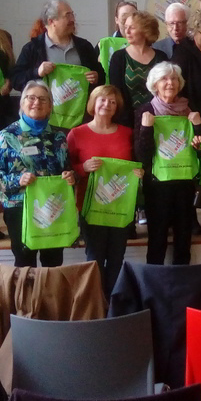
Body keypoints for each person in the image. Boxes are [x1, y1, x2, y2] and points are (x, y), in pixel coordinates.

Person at [66, 85, 142, 295]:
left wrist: (139, 173)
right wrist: (83, 167)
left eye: (112, 102)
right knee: (95, 258)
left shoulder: (127, 133)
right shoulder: (76, 134)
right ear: (93, 102)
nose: (107, 105)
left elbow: (137, 162)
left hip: (120, 206)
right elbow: (66, 170)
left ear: (117, 107)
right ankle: (95, 303)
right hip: (90, 205)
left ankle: (113, 303)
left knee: (117, 258)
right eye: (102, 100)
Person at [135, 62, 201, 265]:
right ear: (155, 84)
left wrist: (199, 128)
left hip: (184, 182)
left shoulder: (189, 110)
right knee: (157, 239)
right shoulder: (146, 111)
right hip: (157, 185)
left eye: (174, 79)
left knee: (184, 237)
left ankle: (181, 280)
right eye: (164, 79)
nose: (170, 83)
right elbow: (142, 156)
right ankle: (154, 282)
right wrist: (146, 129)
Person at [0, 81, 75, 267]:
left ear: (50, 106)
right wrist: (18, 180)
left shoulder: (58, 137)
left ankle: (50, 289)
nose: (37, 102)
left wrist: (71, 176)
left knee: (53, 262)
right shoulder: (6, 136)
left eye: (43, 99)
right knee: (25, 265)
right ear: (22, 103)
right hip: (20, 208)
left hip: (53, 207)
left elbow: (67, 168)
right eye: (31, 98)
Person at [11, 0, 103, 91]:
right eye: (67, 15)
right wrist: (37, 72)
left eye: (72, 14)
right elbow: (15, 80)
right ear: (51, 21)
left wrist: (96, 77)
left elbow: (102, 76)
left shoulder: (84, 47)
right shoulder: (33, 48)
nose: (73, 19)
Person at [110, 11, 168, 126]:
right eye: (126, 27)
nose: (127, 31)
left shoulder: (161, 57)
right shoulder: (119, 57)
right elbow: (116, 92)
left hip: (158, 119)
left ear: (145, 30)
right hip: (127, 121)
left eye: (132, 28)